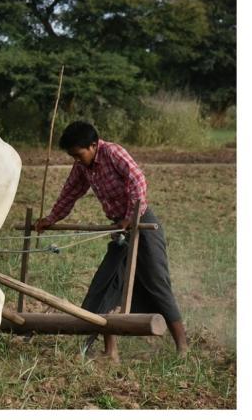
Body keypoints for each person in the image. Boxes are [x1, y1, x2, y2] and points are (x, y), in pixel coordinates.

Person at [35, 121, 188, 360]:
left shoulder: (113, 153)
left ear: (93, 145)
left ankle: (182, 347)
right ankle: (111, 352)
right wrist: (51, 218)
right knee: (107, 284)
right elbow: (70, 192)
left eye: (78, 154)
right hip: (120, 228)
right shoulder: (82, 166)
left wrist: (129, 219)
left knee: (157, 283)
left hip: (143, 224)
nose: (76, 160)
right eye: (72, 156)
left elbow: (138, 181)